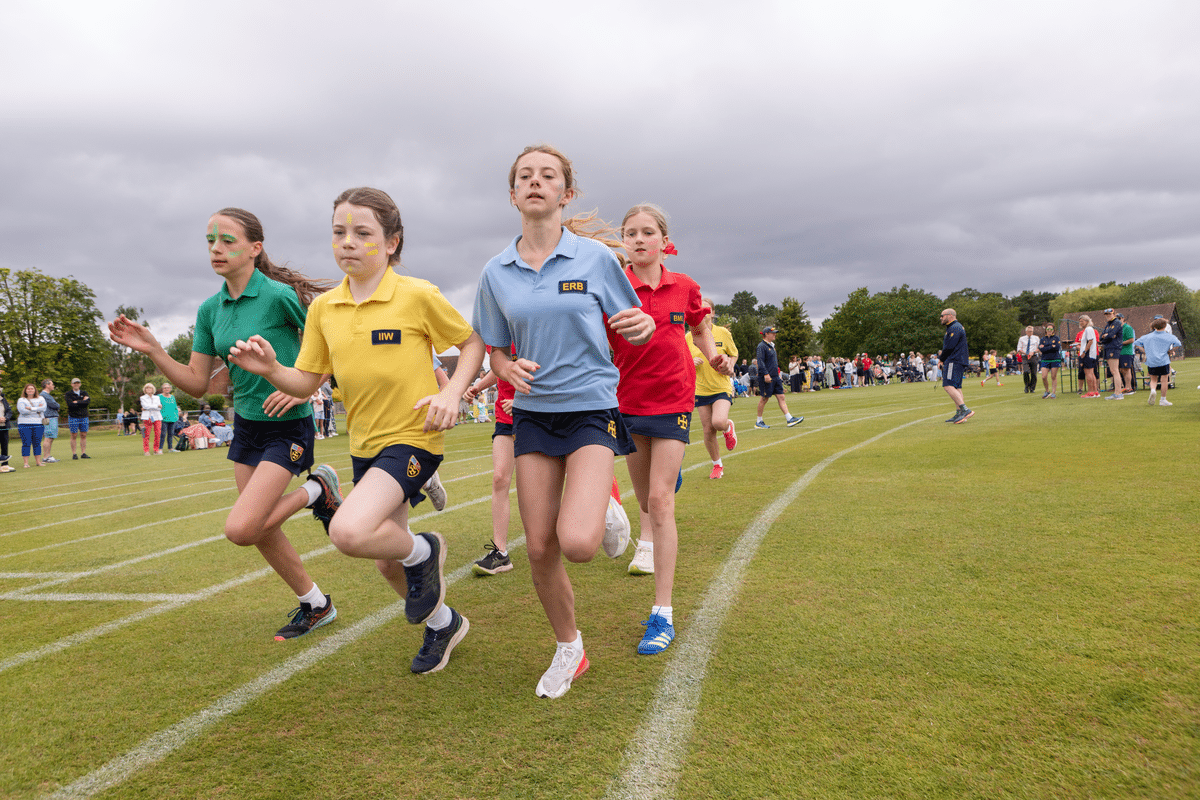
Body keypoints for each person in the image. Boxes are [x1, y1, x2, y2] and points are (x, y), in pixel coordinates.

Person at [230, 187, 485, 674]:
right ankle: (444, 623)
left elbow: (471, 343)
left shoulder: (418, 295)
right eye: (339, 232)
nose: (348, 241)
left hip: (414, 437)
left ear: (391, 243)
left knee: (349, 531)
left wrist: (452, 393)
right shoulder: (324, 309)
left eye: (362, 232)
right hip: (364, 445)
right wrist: (271, 369)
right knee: (387, 561)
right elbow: (306, 381)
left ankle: (426, 549)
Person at [109, 206, 343, 642]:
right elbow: (197, 384)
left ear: (255, 248)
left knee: (242, 528)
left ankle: (317, 491)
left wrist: (304, 388)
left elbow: (333, 346)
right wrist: (156, 350)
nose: (216, 248)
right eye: (210, 240)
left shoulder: (278, 296)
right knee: (261, 529)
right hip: (247, 428)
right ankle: (316, 604)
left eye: (227, 240)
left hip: (288, 426)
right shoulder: (209, 310)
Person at [472, 144, 655, 698]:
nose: (535, 182)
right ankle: (569, 647)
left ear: (566, 193)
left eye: (547, 175)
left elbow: (633, 321)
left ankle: (602, 504)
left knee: (577, 543)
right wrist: (505, 366)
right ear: (512, 195)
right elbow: (493, 349)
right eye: (524, 176)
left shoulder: (595, 259)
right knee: (538, 548)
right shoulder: (495, 272)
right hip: (532, 415)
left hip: (590, 407)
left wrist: (644, 326)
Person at [609, 203, 730, 656]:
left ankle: (663, 613)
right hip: (627, 402)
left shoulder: (685, 286)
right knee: (646, 501)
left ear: (664, 240)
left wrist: (713, 356)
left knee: (660, 504)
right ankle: (668, 473)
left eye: (647, 232)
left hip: (674, 399)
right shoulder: (613, 285)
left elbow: (700, 327)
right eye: (630, 233)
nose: (638, 239)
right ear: (624, 242)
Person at [464, 348, 518, 576]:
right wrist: (478, 386)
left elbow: (553, 368)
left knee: (541, 485)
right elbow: (499, 367)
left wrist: (524, 400)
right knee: (499, 479)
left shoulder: (537, 327)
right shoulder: (495, 334)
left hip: (539, 414)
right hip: (506, 417)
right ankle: (500, 552)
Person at [687, 295, 738, 482]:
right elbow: (681, 361)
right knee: (708, 430)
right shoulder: (688, 337)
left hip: (721, 385)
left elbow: (733, 354)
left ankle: (728, 426)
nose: (703, 312)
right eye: (699, 308)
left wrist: (730, 365)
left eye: (707, 309)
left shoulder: (722, 333)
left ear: (713, 313)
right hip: (700, 389)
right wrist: (690, 362)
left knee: (718, 422)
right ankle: (717, 465)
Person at [754, 327, 803, 429]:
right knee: (764, 398)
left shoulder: (772, 346)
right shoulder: (761, 346)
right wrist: (765, 374)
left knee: (781, 397)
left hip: (775, 376)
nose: (775, 334)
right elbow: (760, 362)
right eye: (772, 333)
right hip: (767, 376)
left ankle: (789, 418)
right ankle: (759, 421)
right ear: (766, 334)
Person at [1135, 316, 1181, 406]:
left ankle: (1153, 390)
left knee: (1153, 379)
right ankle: (1163, 399)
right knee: (1164, 380)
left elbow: (1136, 343)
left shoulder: (1147, 336)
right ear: (1165, 326)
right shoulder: (1169, 336)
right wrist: (1171, 351)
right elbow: (1178, 344)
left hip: (1151, 360)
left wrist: (1145, 351)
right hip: (1164, 360)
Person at [938, 309, 973, 423]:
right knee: (956, 387)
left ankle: (965, 410)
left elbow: (949, 347)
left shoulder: (955, 327)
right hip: (958, 360)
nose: (941, 318)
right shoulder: (954, 327)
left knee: (948, 385)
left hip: (954, 360)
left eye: (942, 316)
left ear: (950, 315)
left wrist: (941, 359)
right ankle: (959, 413)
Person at [16, 384, 47, 467]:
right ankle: (26, 463)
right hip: (24, 424)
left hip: (38, 423)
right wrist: (37, 409)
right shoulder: (21, 400)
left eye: (32, 388)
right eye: (28, 389)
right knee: (26, 443)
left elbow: (43, 408)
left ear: (35, 390)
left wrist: (30, 408)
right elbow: (22, 411)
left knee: (37, 443)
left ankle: (38, 462)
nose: (30, 390)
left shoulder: (41, 398)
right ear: (25, 390)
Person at [1099, 308, 1127, 398]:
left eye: (1109, 314)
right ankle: (1117, 392)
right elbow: (1101, 337)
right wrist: (1105, 336)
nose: (1108, 316)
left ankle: (1118, 393)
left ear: (1114, 314)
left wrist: (1106, 336)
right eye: (1106, 314)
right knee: (1113, 370)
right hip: (1108, 347)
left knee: (1115, 370)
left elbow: (1110, 335)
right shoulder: (1108, 324)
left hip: (1114, 348)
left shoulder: (1116, 322)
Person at [64, 378, 92, 459]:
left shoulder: (84, 392)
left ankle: (83, 453)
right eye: (74, 383)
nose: (76, 384)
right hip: (73, 416)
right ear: (72, 384)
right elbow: (70, 405)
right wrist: (82, 401)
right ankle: (74, 454)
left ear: (80, 384)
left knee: (83, 434)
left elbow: (87, 402)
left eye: (78, 383)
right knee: (74, 435)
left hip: (84, 416)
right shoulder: (68, 394)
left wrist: (77, 402)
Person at [1037, 323, 1063, 398]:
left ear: (1053, 330)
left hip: (1055, 359)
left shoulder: (1056, 338)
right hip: (1045, 359)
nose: (1049, 330)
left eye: (1051, 329)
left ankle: (1053, 393)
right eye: (1048, 329)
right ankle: (1047, 391)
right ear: (1045, 330)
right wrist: (1051, 346)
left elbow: (1057, 348)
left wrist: (1046, 347)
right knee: (1044, 376)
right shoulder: (1042, 339)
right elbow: (1041, 349)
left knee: (1053, 376)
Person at [1078, 314, 1100, 397]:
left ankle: (1090, 392)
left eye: (1082, 321)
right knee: (1091, 373)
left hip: (1088, 354)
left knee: (1088, 373)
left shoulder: (1088, 329)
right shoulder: (1088, 329)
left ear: (1087, 321)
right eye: (1080, 321)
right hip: (1091, 354)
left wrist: (1084, 351)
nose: (1080, 323)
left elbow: (1090, 341)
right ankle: (1095, 391)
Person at [39, 380, 61, 463]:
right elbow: (55, 405)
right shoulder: (44, 395)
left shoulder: (47, 395)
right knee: (48, 437)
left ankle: (48, 456)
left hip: (51, 417)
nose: (53, 386)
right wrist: (57, 406)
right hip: (49, 418)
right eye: (52, 384)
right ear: (47, 385)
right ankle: (45, 457)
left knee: (50, 437)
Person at [139, 383, 163, 455]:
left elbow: (159, 408)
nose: (149, 389)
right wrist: (156, 406)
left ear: (153, 389)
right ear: (145, 390)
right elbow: (145, 406)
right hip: (147, 417)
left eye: (150, 388)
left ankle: (156, 450)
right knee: (146, 434)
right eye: (147, 388)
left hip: (157, 417)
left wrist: (150, 407)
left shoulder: (157, 397)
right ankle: (146, 450)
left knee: (158, 434)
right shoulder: (142, 398)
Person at [1016, 326, 1040, 394]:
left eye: (1032, 331)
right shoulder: (1021, 339)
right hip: (1025, 357)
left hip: (1034, 356)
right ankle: (1027, 386)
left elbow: (1039, 348)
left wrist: (1033, 352)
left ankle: (1032, 388)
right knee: (1026, 371)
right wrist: (1025, 353)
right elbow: (1019, 349)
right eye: (1029, 331)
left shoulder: (1036, 338)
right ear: (1026, 332)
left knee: (1034, 373)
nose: (1031, 332)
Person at [158, 383, 181, 451]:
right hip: (163, 419)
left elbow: (175, 407)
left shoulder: (172, 397)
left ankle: (170, 448)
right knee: (163, 434)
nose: (166, 389)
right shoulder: (159, 396)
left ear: (170, 389)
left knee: (171, 434)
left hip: (173, 418)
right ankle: (160, 449)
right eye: (165, 388)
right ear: (162, 389)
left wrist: (176, 415)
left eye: (168, 388)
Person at [1118, 313, 1137, 395]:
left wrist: (1120, 343)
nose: (1117, 320)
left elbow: (1131, 340)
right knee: (1122, 370)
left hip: (1127, 352)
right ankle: (1125, 387)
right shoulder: (1117, 329)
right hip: (1119, 352)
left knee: (1127, 369)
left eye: (1119, 318)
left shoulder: (1128, 328)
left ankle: (1129, 387)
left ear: (1123, 319)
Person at [0, 387, 12, 471]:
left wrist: (5, 418)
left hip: (4, 426)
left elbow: (9, 411)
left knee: (4, 446)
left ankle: (4, 465)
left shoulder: (3, 400)